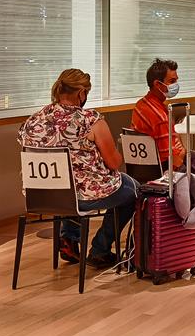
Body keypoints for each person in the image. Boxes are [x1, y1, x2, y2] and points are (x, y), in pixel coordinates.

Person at [17, 69, 137, 269]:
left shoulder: (33, 120)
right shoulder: (90, 119)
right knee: (132, 190)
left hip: (39, 195)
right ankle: (100, 250)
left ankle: (69, 239)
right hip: (81, 196)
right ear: (81, 93)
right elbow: (114, 163)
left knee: (69, 181)